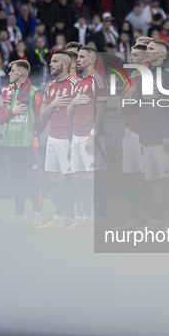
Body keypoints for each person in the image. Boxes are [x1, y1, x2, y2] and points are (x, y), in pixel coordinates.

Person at [128, 39, 169, 230]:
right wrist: (141, 96)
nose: (147, 51)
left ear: (162, 53)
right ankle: (158, 220)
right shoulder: (145, 75)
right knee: (156, 182)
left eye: (151, 49)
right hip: (148, 138)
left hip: (163, 137)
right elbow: (133, 105)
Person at [0, 60, 44, 226]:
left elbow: (42, 117)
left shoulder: (34, 93)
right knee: (17, 180)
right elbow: (1, 119)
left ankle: (37, 216)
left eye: (12, 71)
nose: (9, 73)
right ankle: (19, 216)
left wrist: (35, 134)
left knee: (33, 179)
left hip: (27, 144)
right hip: (12, 143)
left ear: (21, 73)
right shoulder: (8, 93)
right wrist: (13, 112)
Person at [66, 46, 108, 229]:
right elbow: (71, 113)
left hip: (90, 137)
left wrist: (93, 135)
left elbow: (102, 112)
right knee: (80, 178)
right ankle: (84, 218)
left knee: (94, 178)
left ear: (92, 60)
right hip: (76, 136)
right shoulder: (78, 83)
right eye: (77, 57)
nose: (78, 60)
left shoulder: (97, 81)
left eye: (82, 57)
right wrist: (71, 140)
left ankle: (99, 218)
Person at [114, 44, 152, 230]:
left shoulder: (151, 79)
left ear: (145, 59)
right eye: (131, 55)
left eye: (136, 55)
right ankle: (135, 219)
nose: (131, 58)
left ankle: (150, 217)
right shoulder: (130, 81)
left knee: (148, 177)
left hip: (143, 133)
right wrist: (127, 96)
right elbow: (120, 111)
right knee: (131, 177)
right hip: (128, 132)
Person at [38, 51, 78, 228]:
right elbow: (42, 114)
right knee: (55, 177)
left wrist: (73, 140)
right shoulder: (50, 87)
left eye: (55, 61)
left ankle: (74, 216)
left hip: (68, 137)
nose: (51, 64)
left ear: (65, 65)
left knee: (72, 178)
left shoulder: (75, 85)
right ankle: (58, 217)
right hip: (53, 137)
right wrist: (53, 104)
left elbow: (83, 115)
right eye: (51, 61)